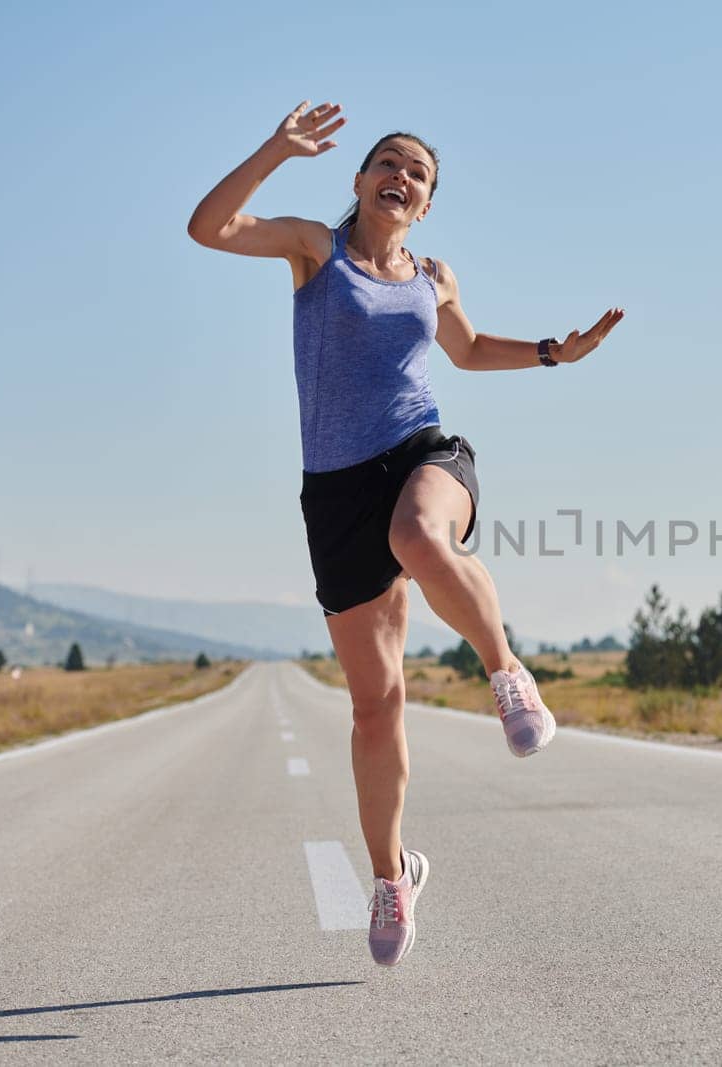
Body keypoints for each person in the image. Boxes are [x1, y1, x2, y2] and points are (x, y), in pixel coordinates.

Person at [188, 100, 625, 966]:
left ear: (426, 205)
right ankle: (393, 874)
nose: (400, 176)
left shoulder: (434, 275)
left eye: (416, 173)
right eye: (387, 163)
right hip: (335, 491)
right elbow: (210, 227)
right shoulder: (316, 249)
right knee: (375, 702)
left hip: (424, 450)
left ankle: (506, 673)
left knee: (425, 537)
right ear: (359, 181)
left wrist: (550, 353)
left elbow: (462, 352)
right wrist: (277, 148)